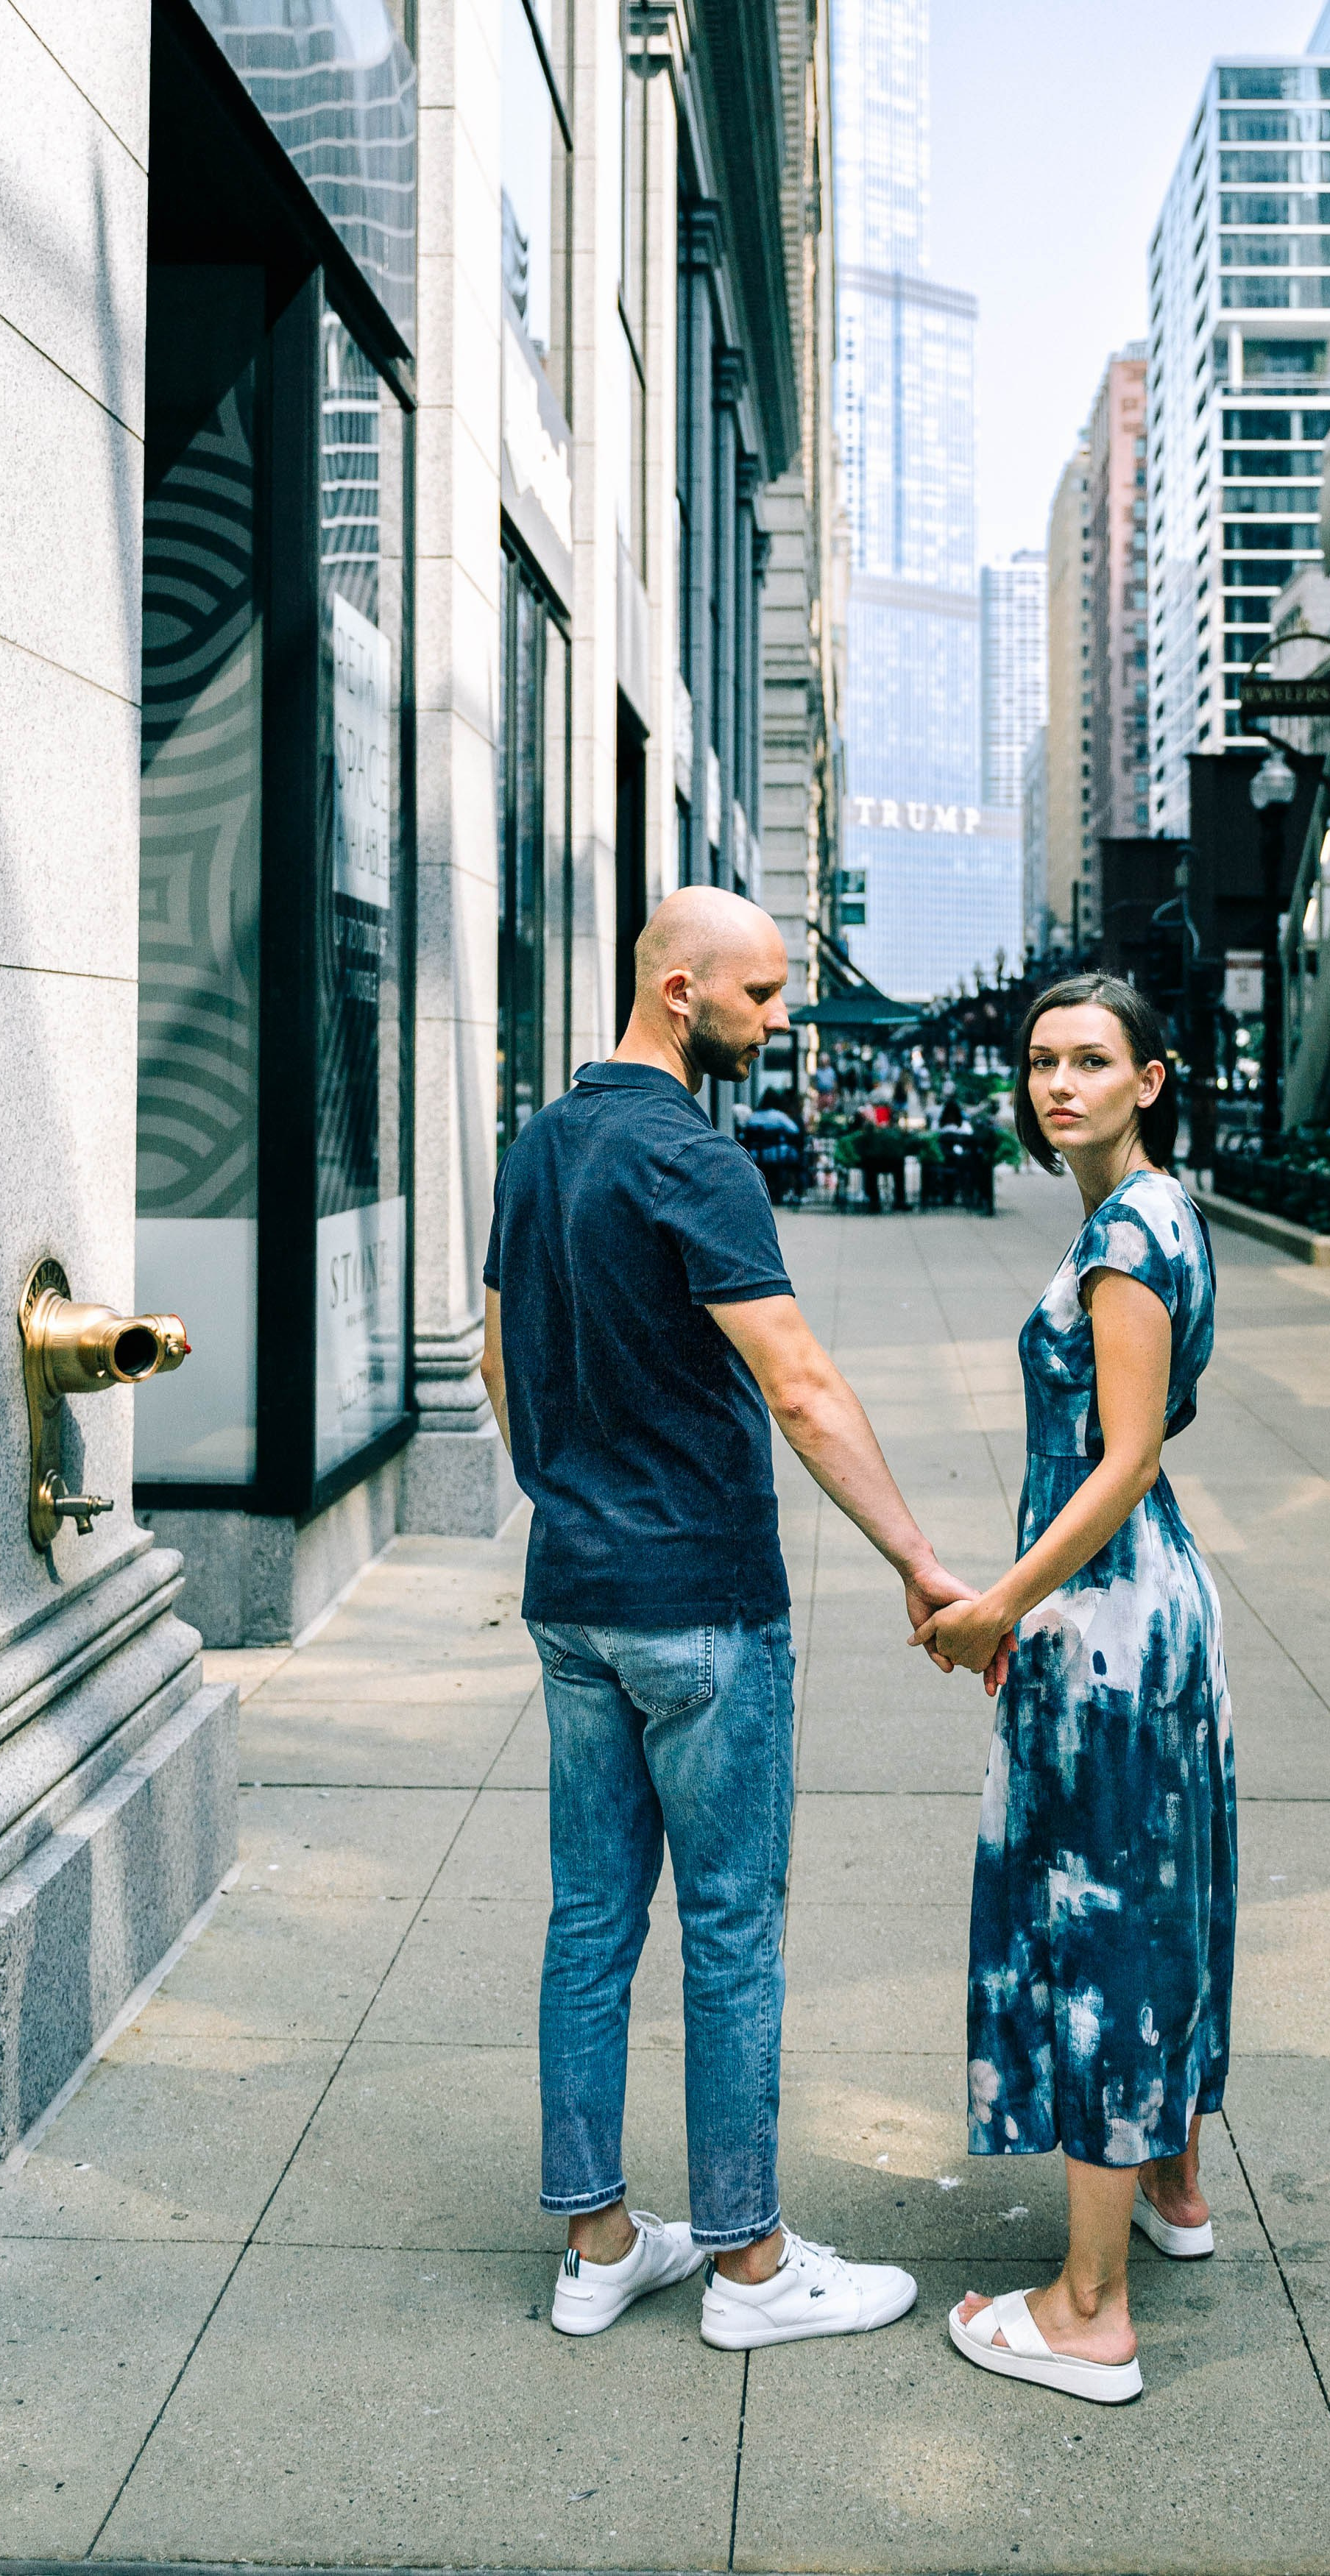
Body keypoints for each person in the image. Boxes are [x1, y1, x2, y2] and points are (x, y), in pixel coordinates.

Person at [479, 885, 977, 2350]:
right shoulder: (696, 1163)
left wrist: (558, 1494)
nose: (776, 1020)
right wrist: (915, 1558)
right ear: (679, 987)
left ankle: (596, 2243)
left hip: (573, 1599)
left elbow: (501, 1350)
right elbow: (803, 1387)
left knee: (587, 1917)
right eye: (759, 996)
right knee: (730, 1929)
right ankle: (750, 2267)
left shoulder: (541, 1140)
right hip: (699, 1601)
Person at [912, 973, 1236, 2407]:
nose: (1056, 1085)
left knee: (1100, 1927)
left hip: (1106, 1634)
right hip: (1135, 1609)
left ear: (1148, 1078)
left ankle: (1088, 2308)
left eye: (1089, 1061)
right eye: (1040, 1061)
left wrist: (998, 1601)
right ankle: (1167, 2184)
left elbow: (1123, 1459)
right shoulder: (1162, 1215)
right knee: (1154, 1902)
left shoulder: (1123, 1238)